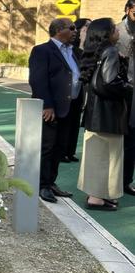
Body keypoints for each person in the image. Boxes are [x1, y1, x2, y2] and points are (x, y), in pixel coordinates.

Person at [77, 18, 131, 210]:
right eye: (114, 28)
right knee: (108, 156)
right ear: (107, 33)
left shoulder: (96, 52)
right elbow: (109, 82)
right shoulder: (111, 51)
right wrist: (128, 87)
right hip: (108, 114)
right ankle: (96, 198)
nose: (118, 30)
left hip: (96, 113)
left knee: (97, 155)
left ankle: (98, 195)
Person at [28, 18, 80, 203]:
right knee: (47, 147)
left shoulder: (73, 52)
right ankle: (42, 185)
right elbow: (38, 80)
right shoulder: (42, 51)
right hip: (51, 109)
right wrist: (47, 105)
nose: (75, 31)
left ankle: (51, 182)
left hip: (69, 108)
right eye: (71, 28)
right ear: (59, 30)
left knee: (60, 147)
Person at [61, 18, 92, 163]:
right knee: (65, 123)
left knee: (74, 123)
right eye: (86, 27)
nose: (88, 30)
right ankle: (63, 152)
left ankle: (70, 151)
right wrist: (81, 42)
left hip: (78, 91)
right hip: (66, 93)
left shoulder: (82, 48)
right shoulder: (69, 47)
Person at [116, 0, 135, 196]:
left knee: (132, 141)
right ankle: (109, 184)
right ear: (128, 9)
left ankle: (126, 181)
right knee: (116, 139)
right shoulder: (116, 32)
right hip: (120, 92)